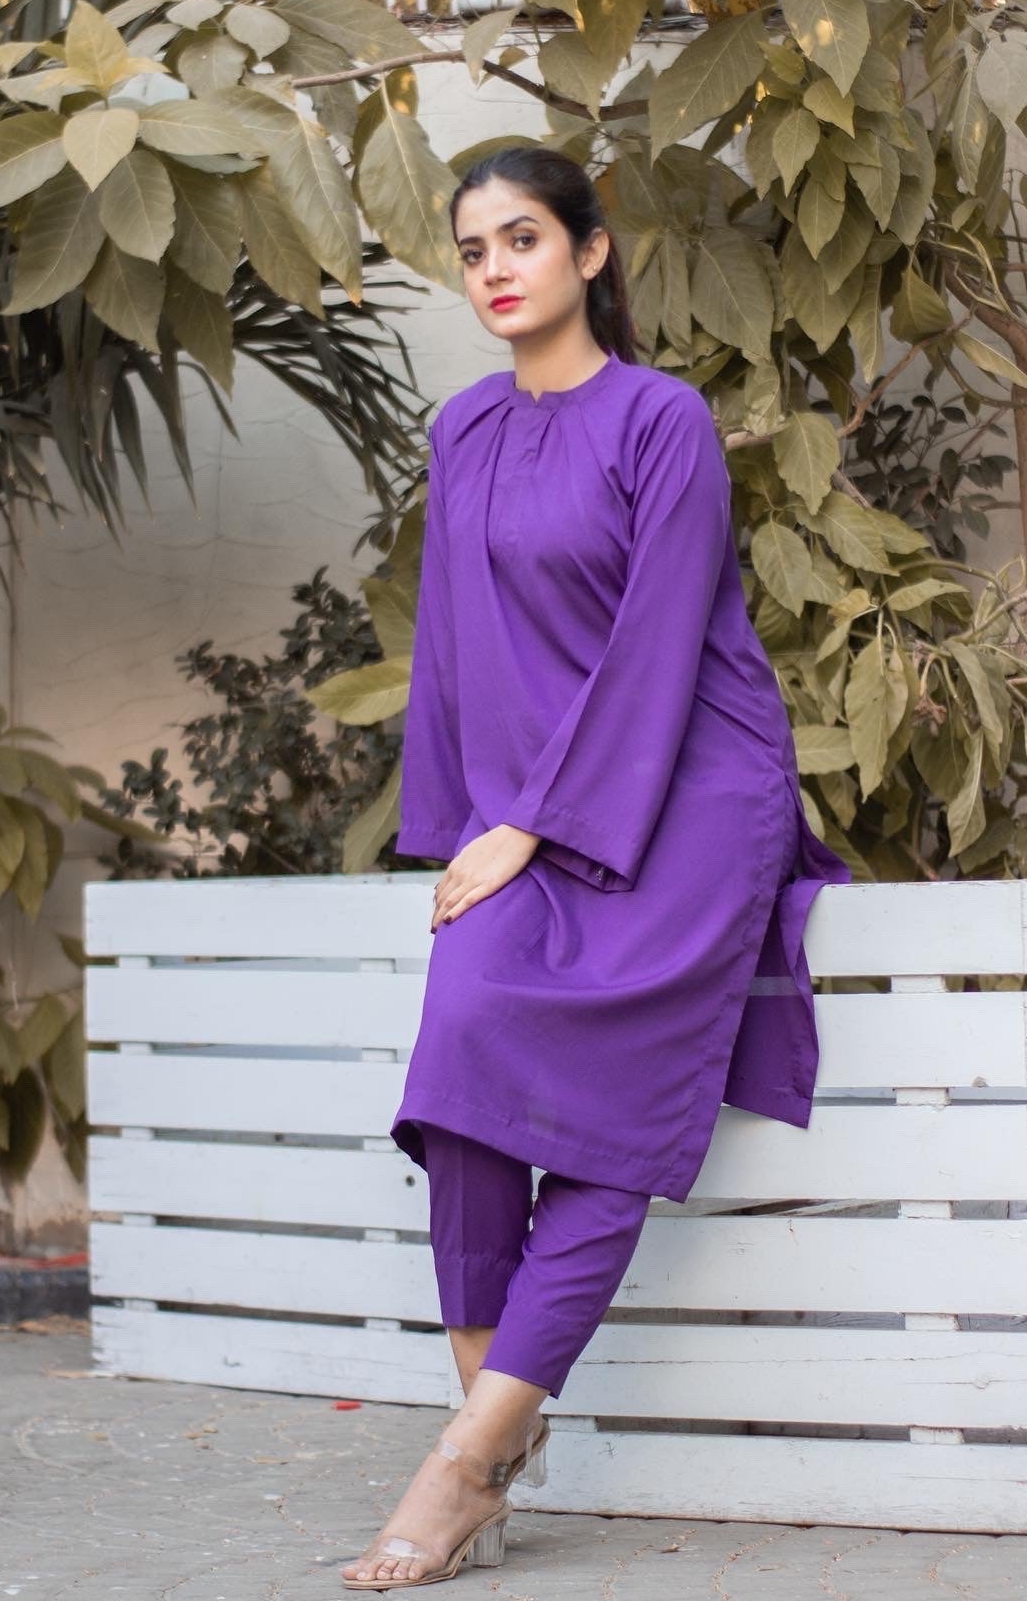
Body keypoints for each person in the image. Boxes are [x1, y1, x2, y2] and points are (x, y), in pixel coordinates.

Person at [340, 147, 852, 1591]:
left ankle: (461, 1470)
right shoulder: (463, 430)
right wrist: (472, 822)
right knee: (459, 1069)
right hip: (526, 806)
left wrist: (536, 823)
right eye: (474, 250)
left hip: (688, 793)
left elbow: (663, 640)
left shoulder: (660, 417)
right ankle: (492, 1428)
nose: (497, 269)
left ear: (590, 252)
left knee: (609, 1118)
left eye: (524, 238)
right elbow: (457, 646)